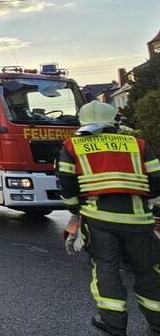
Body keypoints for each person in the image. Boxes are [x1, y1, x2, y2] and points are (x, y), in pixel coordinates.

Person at [56, 100, 160, 335]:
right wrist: (142, 199)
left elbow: (66, 183)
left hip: (99, 220)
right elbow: (157, 180)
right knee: (148, 270)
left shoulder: (72, 146)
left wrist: (75, 209)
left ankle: (112, 323)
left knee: (106, 267)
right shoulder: (138, 144)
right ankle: (157, 322)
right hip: (139, 220)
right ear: (114, 121)